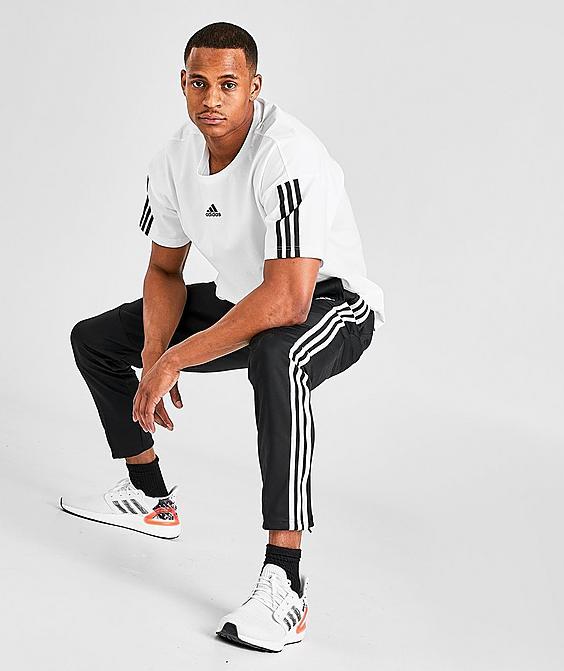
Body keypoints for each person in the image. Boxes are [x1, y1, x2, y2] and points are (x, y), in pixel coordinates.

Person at [61, 21, 385, 653]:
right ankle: (149, 496)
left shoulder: (286, 155)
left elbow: (289, 298)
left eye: (228, 84)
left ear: (254, 87)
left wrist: (177, 358)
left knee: (277, 354)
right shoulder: (172, 160)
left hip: (331, 300)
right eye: (199, 83)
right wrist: (154, 351)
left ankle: (285, 581)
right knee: (96, 340)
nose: (212, 97)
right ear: (183, 84)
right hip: (244, 297)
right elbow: (164, 270)